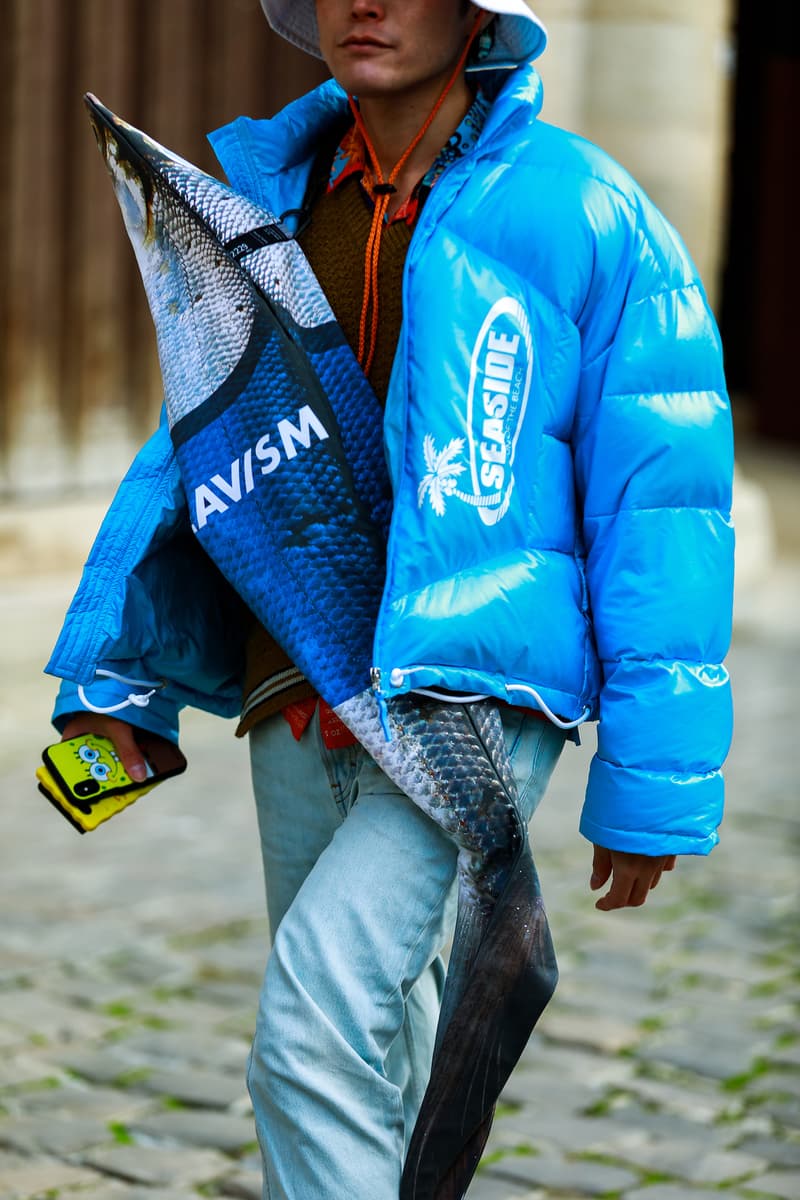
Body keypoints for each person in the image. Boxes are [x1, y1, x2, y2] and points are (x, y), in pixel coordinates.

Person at [46, 0, 735, 1195]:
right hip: (291, 681)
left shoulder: (585, 207)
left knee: (311, 1028)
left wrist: (652, 777)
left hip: (468, 698)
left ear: (475, 18)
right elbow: (192, 457)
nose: (367, 1)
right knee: (380, 1047)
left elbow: (663, 497)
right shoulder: (256, 196)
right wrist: (119, 684)